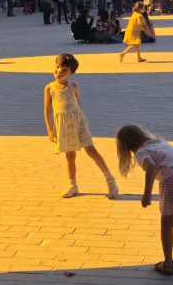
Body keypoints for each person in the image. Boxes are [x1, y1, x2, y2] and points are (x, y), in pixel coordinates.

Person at [116, 124, 173, 276]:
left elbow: (152, 167)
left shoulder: (141, 152)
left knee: (166, 224)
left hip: (172, 181)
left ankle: (167, 263)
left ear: (125, 145)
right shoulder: (159, 142)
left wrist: (147, 194)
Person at [43, 53, 119, 199]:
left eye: (64, 69)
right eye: (57, 67)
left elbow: (78, 105)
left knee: (91, 150)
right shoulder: (49, 88)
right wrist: (50, 130)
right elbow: (47, 110)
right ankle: (72, 185)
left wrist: (82, 122)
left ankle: (110, 181)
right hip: (63, 126)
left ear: (71, 73)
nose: (59, 71)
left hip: (78, 124)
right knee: (70, 156)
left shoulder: (74, 86)